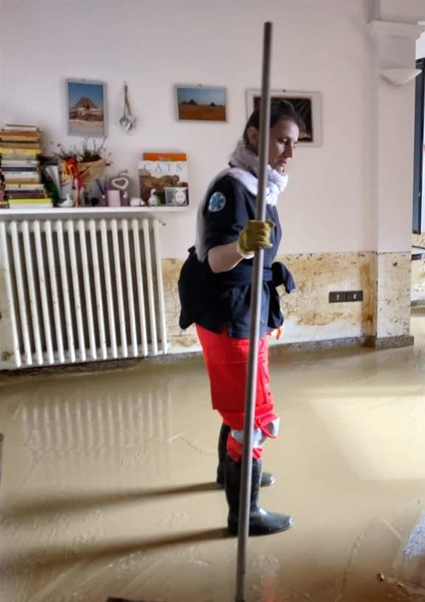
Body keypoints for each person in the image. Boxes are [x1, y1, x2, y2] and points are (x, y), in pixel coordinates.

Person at [178, 101, 302, 536]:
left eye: (295, 144)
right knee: (253, 419)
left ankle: (226, 472)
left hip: (246, 307)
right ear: (254, 135)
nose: (289, 152)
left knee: (238, 406)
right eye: (282, 141)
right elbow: (215, 259)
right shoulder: (231, 188)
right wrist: (243, 247)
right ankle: (244, 514)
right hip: (229, 312)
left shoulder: (259, 186)